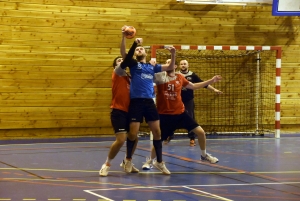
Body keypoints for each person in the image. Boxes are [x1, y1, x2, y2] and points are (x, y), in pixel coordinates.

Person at [142, 59, 221, 170]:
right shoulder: (160, 77)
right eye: (166, 63)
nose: (168, 65)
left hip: (180, 113)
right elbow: (147, 75)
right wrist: (150, 64)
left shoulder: (180, 77)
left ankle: (204, 155)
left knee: (201, 133)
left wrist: (211, 81)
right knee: (158, 140)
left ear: (175, 66)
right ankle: (150, 161)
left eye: (171, 63)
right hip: (165, 116)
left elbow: (193, 86)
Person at [118, 39, 176, 175]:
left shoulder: (152, 67)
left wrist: (173, 54)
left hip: (149, 102)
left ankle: (160, 162)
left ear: (146, 52)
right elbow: (123, 53)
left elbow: (169, 68)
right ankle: (128, 160)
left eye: (141, 49)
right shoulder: (133, 64)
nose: (139, 50)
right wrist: (127, 39)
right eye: (138, 49)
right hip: (136, 102)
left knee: (157, 133)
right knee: (132, 133)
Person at [99, 29, 139, 177]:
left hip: (132, 110)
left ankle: (128, 161)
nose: (121, 62)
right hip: (118, 110)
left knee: (134, 136)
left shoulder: (131, 76)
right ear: (115, 65)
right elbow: (126, 55)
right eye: (118, 61)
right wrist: (124, 39)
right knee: (121, 139)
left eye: (122, 61)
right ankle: (107, 163)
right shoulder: (117, 73)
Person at [177, 59, 223, 146]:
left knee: (190, 118)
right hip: (177, 100)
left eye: (184, 64)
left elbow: (203, 84)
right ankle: (168, 135)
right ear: (179, 66)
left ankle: (192, 138)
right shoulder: (176, 75)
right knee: (172, 117)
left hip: (188, 100)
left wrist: (214, 89)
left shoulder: (192, 75)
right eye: (181, 64)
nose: (183, 65)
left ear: (188, 65)